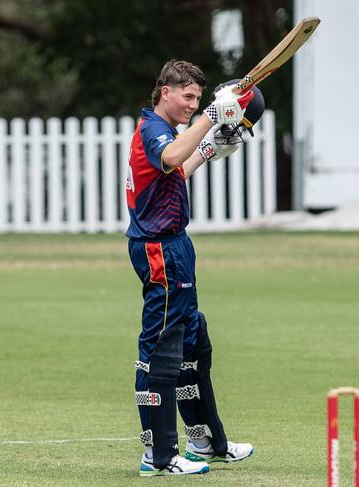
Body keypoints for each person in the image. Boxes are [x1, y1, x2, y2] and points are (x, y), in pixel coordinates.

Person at [125, 59, 261, 477]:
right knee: (161, 351)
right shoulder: (153, 129)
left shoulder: (166, 130)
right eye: (188, 96)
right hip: (159, 250)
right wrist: (210, 118)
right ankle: (158, 456)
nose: (192, 104)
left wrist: (210, 146)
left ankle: (205, 440)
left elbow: (177, 168)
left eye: (199, 99)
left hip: (175, 246)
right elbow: (169, 156)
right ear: (165, 90)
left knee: (193, 346)